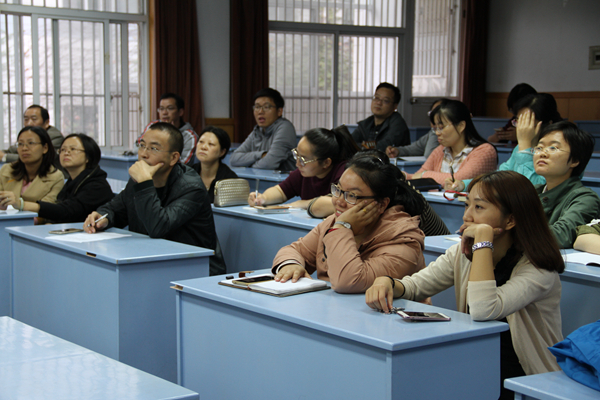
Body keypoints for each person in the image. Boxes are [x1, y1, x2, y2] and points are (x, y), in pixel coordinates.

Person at [365, 171, 565, 399]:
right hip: (478, 363)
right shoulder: (461, 254)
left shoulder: (538, 268)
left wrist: (483, 244)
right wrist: (389, 282)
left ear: (510, 220)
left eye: (479, 207)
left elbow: (483, 309)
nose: (467, 216)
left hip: (527, 379)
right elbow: (416, 285)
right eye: (466, 205)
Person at [270, 151, 426, 294]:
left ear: (382, 204)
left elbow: (348, 281)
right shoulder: (334, 222)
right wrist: (291, 264)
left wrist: (343, 228)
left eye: (351, 196)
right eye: (337, 190)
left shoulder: (403, 240)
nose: (339, 202)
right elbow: (295, 250)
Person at [84, 122, 226, 276]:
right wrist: (103, 217)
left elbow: (158, 227)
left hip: (194, 268)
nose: (144, 154)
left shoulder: (191, 187)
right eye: (142, 145)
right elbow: (116, 208)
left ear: (173, 158)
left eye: (154, 148)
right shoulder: (138, 181)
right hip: (153, 261)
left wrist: (144, 183)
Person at [308, 150, 450, 236]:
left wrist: (342, 225)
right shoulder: (351, 193)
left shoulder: (401, 209)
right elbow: (314, 207)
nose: (339, 200)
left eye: (352, 195)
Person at [448, 93, 561, 191]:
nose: (520, 127)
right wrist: (464, 184)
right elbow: (499, 178)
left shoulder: (554, 153)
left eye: (526, 122)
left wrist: (525, 145)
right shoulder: (519, 148)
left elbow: (530, 191)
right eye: (518, 121)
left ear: (548, 124)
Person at [248, 126, 359, 211]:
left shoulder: (344, 173)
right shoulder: (304, 172)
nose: (297, 164)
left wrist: (302, 204)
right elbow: (280, 191)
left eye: (303, 160)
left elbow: (340, 203)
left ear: (326, 163)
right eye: (297, 155)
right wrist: (262, 198)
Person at [15, 133, 114, 223]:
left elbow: (67, 211)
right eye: (63, 150)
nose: (66, 153)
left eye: (73, 149)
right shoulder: (73, 181)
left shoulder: (97, 185)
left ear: (88, 156)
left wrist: (22, 204)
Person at [532, 121, 600, 248]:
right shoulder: (531, 191)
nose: (542, 153)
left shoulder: (585, 199)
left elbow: (561, 236)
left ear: (574, 160)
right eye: (539, 148)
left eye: (553, 148)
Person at [407, 99, 497, 185]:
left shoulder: (484, 151)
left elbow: (457, 180)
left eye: (441, 127)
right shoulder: (441, 150)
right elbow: (416, 176)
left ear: (461, 126)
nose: (437, 133)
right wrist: (403, 176)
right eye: (435, 128)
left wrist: (424, 175)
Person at [0, 126, 64, 214]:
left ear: (45, 148)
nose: (24, 148)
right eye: (20, 144)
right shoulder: (6, 170)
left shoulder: (56, 177)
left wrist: (20, 204)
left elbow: (48, 209)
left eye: (31, 143)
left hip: (35, 225)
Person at [230, 88, 297, 170]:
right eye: (257, 107)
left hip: (283, 181)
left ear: (279, 111)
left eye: (266, 107)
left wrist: (249, 165)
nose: (260, 111)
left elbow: (269, 163)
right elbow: (234, 159)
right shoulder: (258, 131)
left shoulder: (285, 128)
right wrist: (261, 155)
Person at [139, 93, 199, 165]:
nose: (164, 112)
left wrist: (170, 133)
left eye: (170, 108)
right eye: (161, 109)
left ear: (180, 112)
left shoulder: (190, 136)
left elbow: (183, 165)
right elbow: (138, 146)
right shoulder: (152, 126)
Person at [351, 82, 410, 152]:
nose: (378, 103)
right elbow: (349, 143)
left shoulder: (398, 124)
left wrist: (361, 145)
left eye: (386, 101)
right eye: (376, 98)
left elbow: (382, 146)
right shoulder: (366, 124)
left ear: (395, 106)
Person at [191, 126, 238, 203]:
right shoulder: (187, 174)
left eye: (211, 144)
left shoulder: (230, 180)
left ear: (222, 152)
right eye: (201, 142)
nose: (203, 147)